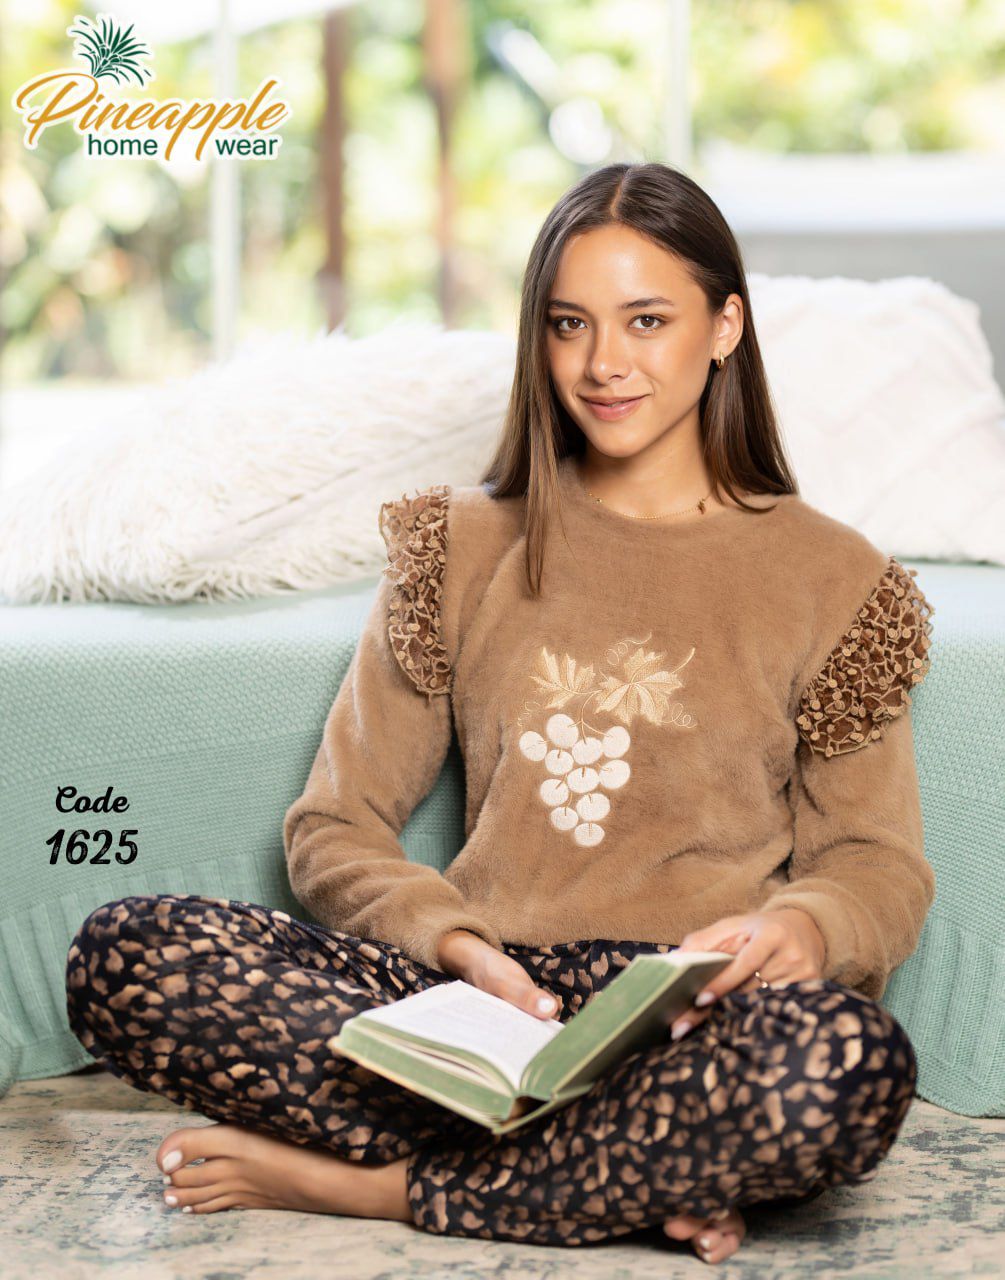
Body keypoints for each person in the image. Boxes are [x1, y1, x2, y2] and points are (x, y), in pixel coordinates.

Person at [65, 162, 936, 1266]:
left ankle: (375, 1188)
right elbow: (333, 828)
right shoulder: (461, 547)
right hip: (475, 1004)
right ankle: (620, 1175)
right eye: (569, 324)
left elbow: (878, 864)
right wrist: (463, 950)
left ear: (725, 326)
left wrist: (804, 929)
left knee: (847, 1067)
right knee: (129, 953)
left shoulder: (836, 578)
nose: (603, 362)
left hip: (682, 1027)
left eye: (646, 320)